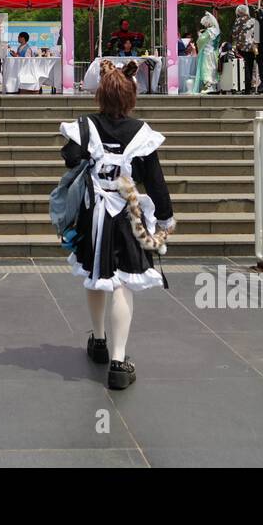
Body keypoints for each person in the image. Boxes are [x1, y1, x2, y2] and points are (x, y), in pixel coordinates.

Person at [60, 60, 175, 391]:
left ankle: (98, 340)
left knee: (96, 276)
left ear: (100, 95)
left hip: (92, 215)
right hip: (127, 216)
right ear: (131, 97)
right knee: (122, 283)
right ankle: (118, 362)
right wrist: (165, 218)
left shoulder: (87, 126)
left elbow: (68, 156)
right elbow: (155, 182)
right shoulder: (141, 133)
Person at [192, 11, 220, 93]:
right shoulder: (216, 30)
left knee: (206, 68)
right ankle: (212, 86)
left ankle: (209, 86)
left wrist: (199, 35)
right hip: (213, 52)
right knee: (212, 68)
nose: (204, 25)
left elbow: (200, 41)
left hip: (207, 53)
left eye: (205, 23)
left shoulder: (209, 31)